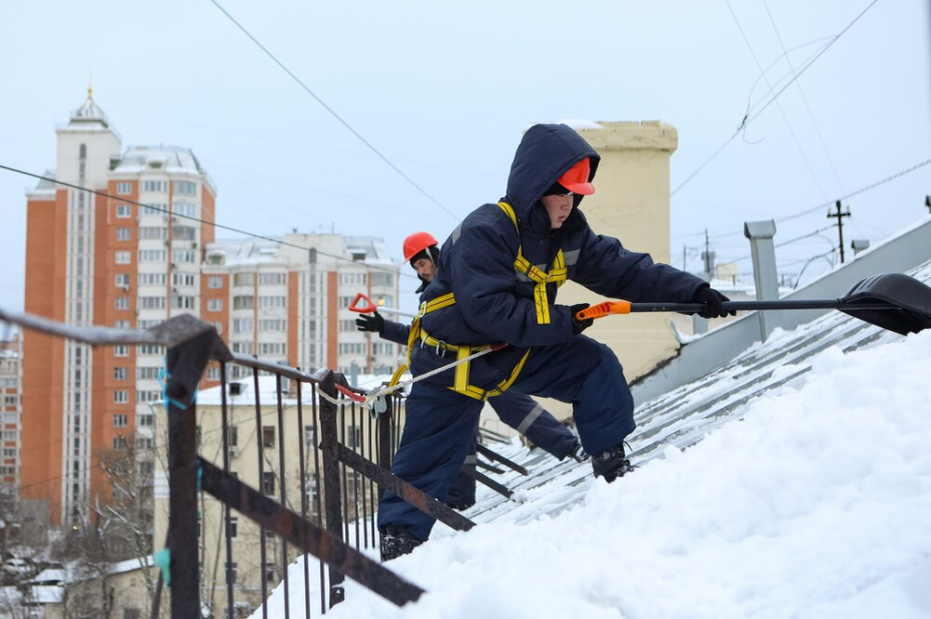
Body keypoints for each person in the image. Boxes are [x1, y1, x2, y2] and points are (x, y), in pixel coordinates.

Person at [376, 123, 734, 561]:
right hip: (448, 362)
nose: (569, 203)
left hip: (508, 353)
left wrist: (692, 294)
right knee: (423, 458)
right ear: (534, 187)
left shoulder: (569, 236)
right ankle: (400, 546)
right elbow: (489, 310)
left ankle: (612, 467)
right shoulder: (486, 230)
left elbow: (625, 271)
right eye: (562, 193)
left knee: (594, 366)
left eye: (577, 194)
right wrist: (565, 319)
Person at [356, 231, 585, 511]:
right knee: (460, 434)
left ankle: (571, 447)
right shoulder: (428, 299)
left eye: (422, 263)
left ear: (433, 255)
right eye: (416, 267)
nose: (422, 270)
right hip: (455, 373)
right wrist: (384, 328)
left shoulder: (463, 274)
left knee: (517, 408)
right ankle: (460, 502)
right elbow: (421, 339)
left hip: (488, 361)